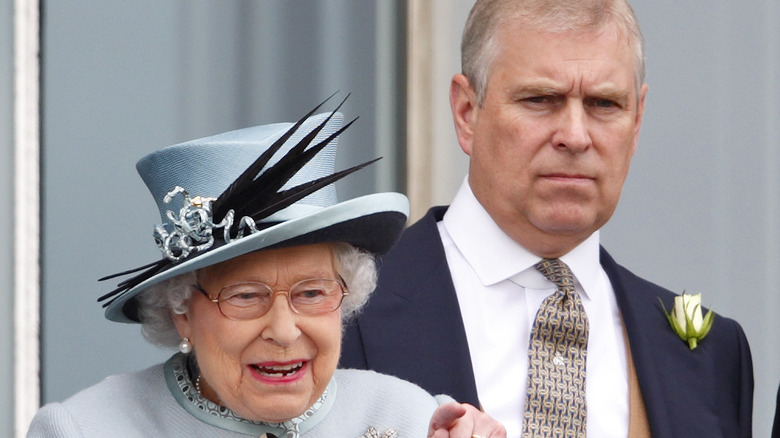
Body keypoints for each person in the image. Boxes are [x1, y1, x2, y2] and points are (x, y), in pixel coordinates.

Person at [340, 1, 753, 437]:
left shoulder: (713, 358)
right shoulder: (335, 313)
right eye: (540, 99)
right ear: (466, 112)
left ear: (637, 122)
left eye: (604, 103)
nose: (575, 136)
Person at [27, 98, 506, 438]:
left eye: (313, 293)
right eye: (245, 296)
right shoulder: (84, 429)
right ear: (181, 311)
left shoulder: (411, 418)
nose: (283, 330)